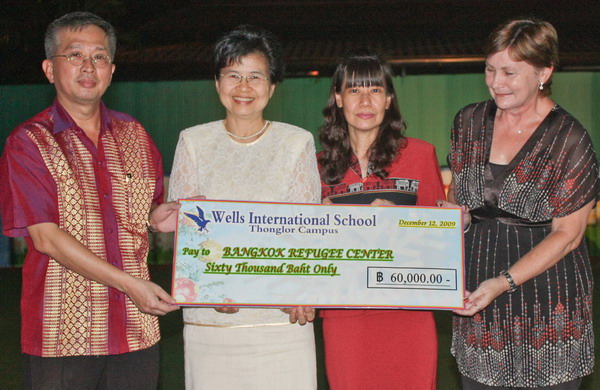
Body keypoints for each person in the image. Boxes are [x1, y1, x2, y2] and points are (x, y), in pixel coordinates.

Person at [0, 12, 180, 389]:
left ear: (111, 70)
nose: (88, 66)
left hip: (136, 332)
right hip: (63, 335)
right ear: (50, 69)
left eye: (99, 56)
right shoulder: (30, 142)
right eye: (75, 55)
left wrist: (155, 216)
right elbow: (46, 237)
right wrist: (131, 284)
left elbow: (143, 210)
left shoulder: (136, 135)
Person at [443, 18, 598, 389]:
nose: (496, 82)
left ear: (544, 72)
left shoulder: (570, 138)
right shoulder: (468, 121)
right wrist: (458, 216)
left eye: (510, 72)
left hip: (547, 301)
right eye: (490, 69)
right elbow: (457, 199)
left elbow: (568, 235)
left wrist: (503, 282)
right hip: (477, 295)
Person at [168, 25, 321, 389]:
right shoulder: (192, 141)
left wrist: (304, 291)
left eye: (255, 76)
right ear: (217, 83)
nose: (244, 87)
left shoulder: (296, 142)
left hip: (282, 320)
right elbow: (188, 233)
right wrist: (209, 290)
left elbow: (308, 231)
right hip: (212, 323)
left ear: (271, 87)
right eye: (233, 75)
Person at [317, 53, 444, 389]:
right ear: (338, 98)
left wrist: (403, 222)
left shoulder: (419, 154)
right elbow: (304, 248)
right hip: (344, 314)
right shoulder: (313, 165)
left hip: (409, 312)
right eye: (354, 90)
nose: (365, 100)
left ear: (389, 99)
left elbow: (440, 244)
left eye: (375, 90)